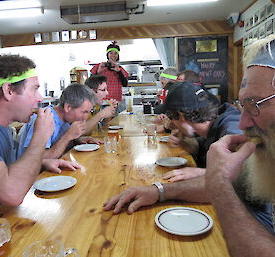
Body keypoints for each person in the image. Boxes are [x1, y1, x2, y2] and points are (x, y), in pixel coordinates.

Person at [104, 35, 275, 257]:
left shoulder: (231, 128)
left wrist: (219, 183)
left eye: (254, 105)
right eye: (243, 104)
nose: (244, 123)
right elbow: (229, 183)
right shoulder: (227, 127)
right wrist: (159, 191)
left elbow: (224, 185)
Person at [0, 54, 78, 223]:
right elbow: (12, 193)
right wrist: (40, 137)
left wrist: (42, 162)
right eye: (34, 89)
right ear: (8, 91)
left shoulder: (5, 128)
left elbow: (5, 172)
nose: (40, 97)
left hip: (2, 220)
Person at [160, 81, 241, 181]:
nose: (171, 123)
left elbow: (243, 173)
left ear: (181, 116)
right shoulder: (213, 124)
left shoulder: (230, 130)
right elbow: (206, 146)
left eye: (171, 117)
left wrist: (201, 173)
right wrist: (191, 145)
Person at [18, 83, 102, 159]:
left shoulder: (65, 120)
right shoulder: (44, 118)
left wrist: (77, 140)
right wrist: (68, 136)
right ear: (68, 107)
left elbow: (58, 142)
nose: (86, 117)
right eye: (84, 112)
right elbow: (36, 160)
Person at [90, 41, 128, 111]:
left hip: (116, 101)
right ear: (107, 55)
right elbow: (90, 83)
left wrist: (119, 72)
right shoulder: (99, 66)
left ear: (118, 56)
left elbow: (125, 84)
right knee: (104, 120)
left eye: (115, 53)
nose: (113, 55)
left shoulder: (120, 69)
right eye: (111, 53)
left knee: (116, 121)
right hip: (102, 101)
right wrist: (98, 72)